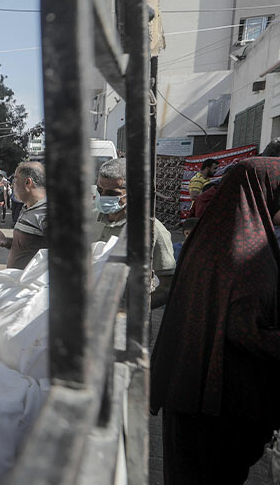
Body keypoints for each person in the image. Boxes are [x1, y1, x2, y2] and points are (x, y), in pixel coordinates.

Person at [150, 158, 280, 484]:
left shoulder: (212, 236)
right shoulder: (248, 250)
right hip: (221, 405)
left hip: (188, 389)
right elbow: (244, 329)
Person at [94, 157, 176, 279]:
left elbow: (165, 279)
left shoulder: (152, 229)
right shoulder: (90, 218)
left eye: (112, 193)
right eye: (99, 190)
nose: (102, 197)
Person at [0, 162, 48, 270]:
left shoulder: (44, 213)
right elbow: (28, 246)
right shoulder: (26, 208)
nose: (12, 185)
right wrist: (6, 242)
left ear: (28, 182)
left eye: (15, 181)